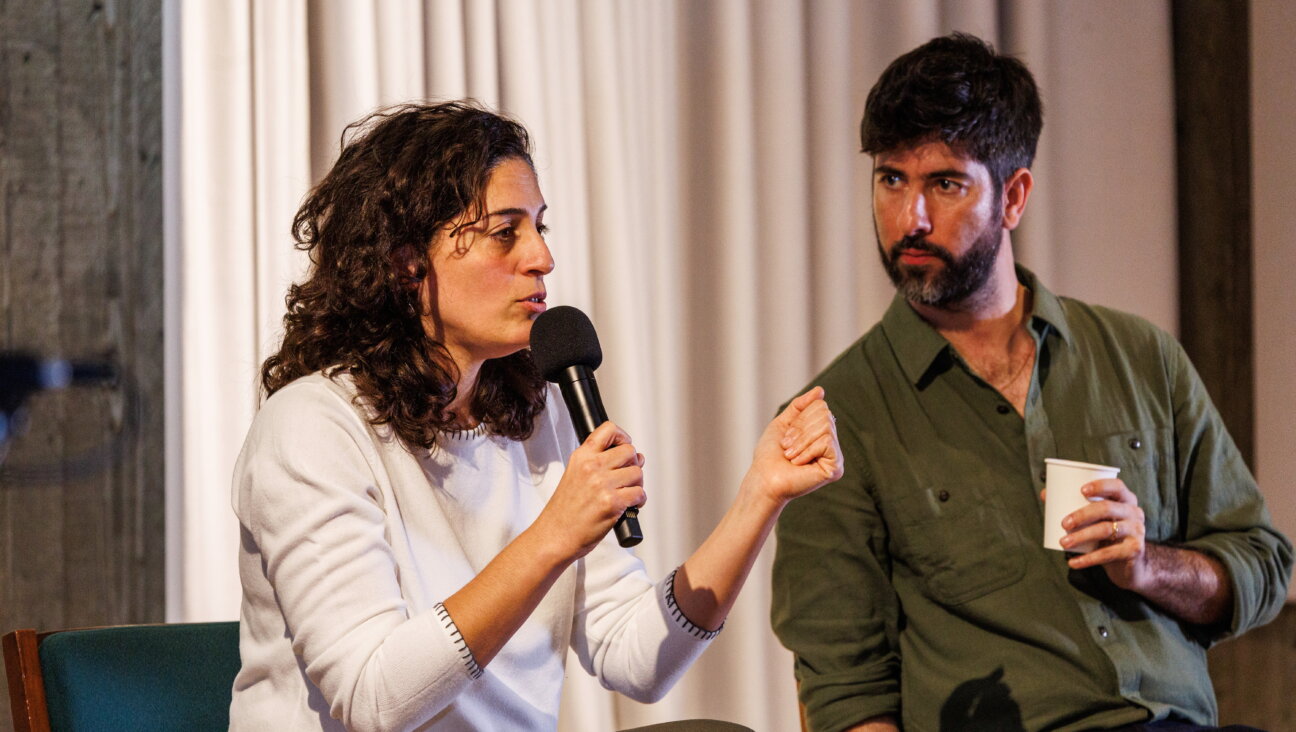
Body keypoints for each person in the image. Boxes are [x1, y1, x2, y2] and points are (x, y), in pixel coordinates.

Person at [229, 101, 844, 730]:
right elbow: (372, 701)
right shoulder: (311, 426)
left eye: (540, 228)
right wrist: (553, 536)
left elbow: (636, 660)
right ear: (406, 262)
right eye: (505, 233)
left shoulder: (536, 408)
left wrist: (760, 496)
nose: (541, 259)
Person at [770, 33, 1292, 732]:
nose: (910, 218)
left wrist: (1148, 568)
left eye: (945, 183)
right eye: (891, 179)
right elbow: (846, 695)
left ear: (1013, 196)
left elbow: (1261, 565)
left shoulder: (1141, 357)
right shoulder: (834, 421)